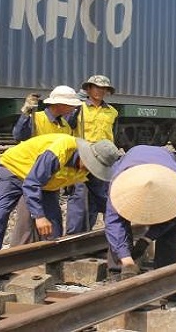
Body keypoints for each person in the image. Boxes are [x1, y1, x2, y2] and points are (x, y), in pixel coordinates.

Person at [0, 134, 122, 254]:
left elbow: (100, 197)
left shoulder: (90, 171)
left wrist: (116, 216)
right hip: (11, 171)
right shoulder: (62, 150)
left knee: (53, 226)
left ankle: (51, 262)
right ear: (87, 156)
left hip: (45, 182)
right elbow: (32, 183)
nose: (92, 169)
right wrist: (39, 216)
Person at [8, 86, 82, 246]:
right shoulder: (37, 118)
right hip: (31, 177)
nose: (74, 108)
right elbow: (19, 136)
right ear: (60, 104)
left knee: (53, 220)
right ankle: (19, 255)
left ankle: (49, 252)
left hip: (51, 179)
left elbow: (65, 154)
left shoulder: (65, 126)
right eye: (71, 105)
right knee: (27, 223)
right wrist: (26, 113)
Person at [104, 145, 176, 281]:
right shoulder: (119, 184)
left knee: (170, 229)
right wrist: (125, 259)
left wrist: (147, 239)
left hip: (166, 165)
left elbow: (173, 216)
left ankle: (166, 272)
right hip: (132, 162)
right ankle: (118, 269)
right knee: (118, 229)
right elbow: (114, 222)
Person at [66, 75, 120, 234]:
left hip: (102, 160)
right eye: (96, 87)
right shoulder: (78, 108)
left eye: (103, 89)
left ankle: (87, 235)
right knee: (77, 198)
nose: (100, 91)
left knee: (97, 199)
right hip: (81, 158)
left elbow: (111, 136)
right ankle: (72, 236)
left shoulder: (112, 112)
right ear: (88, 89)